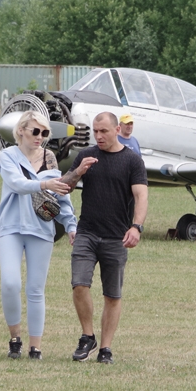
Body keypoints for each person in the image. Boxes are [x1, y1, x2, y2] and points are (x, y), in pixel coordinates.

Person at [60, 112, 147, 364]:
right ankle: (88, 336)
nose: (98, 136)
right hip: (86, 232)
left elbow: (141, 196)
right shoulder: (86, 156)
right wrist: (78, 171)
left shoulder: (132, 161)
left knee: (112, 295)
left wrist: (136, 227)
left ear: (117, 129)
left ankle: (105, 349)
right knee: (79, 284)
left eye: (104, 131)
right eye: (95, 131)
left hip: (116, 238)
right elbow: (64, 186)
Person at [0, 111, 79, 360]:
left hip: (41, 229)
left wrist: (71, 224)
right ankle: (15, 339)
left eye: (44, 133)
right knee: (10, 283)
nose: (40, 137)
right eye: (35, 131)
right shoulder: (8, 156)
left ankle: (36, 347)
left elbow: (61, 195)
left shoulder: (50, 158)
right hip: (11, 227)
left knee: (35, 289)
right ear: (21, 130)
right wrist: (44, 184)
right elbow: (16, 184)